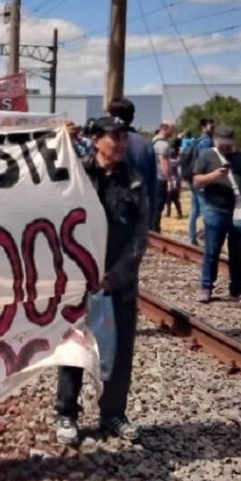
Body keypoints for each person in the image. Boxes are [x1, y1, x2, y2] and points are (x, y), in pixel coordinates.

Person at [53, 116, 148, 447]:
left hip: (118, 286)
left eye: (124, 137)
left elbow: (138, 238)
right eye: (115, 137)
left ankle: (113, 413)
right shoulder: (76, 175)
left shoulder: (135, 182)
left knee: (119, 352)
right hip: (78, 283)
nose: (121, 143)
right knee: (73, 350)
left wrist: (114, 278)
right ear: (96, 140)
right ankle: (66, 413)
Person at [192, 125, 241, 304]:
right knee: (212, 251)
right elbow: (197, 181)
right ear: (216, 141)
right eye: (223, 144)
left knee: (237, 252)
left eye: (229, 144)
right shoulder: (207, 156)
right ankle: (206, 287)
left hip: (238, 211)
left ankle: (236, 290)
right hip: (215, 209)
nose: (226, 148)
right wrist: (214, 176)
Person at [107, 99, 157, 228]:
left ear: (110, 116)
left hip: (109, 213)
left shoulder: (103, 143)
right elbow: (151, 187)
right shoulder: (146, 145)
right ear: (132, 117)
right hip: (136, 212)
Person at [181, 119, 215, 245]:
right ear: (203, 127)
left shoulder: (196, 140)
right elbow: (205, 161)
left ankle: (192, 237)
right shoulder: (206, 142)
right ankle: (207, 239)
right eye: (210, 125)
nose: (213, 127)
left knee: (195, 209)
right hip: (201, 180)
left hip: (192, 178)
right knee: (206, 209)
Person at [149, 121, 175, 232]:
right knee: (158, 207)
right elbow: (163, 162)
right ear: (166, 129)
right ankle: (155, 231)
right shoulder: (163, 145)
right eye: (172, 129)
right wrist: (169, 179)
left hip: (153, 177)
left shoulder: (153, 140)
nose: (174, 132)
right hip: (160, 179)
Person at [164, 144, 184, 218]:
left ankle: (168, 213)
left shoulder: (169, 162)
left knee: (169, 198)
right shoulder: (177, 162)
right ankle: (180, 213)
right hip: (176, 181)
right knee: (176, 199)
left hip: (170, 181)